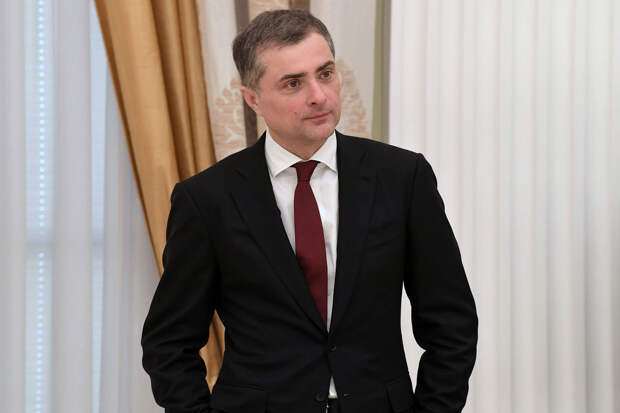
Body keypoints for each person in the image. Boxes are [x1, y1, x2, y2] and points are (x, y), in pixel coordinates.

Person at [141, 9, 477, 413]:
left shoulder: (403, 178)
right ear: (253, 99)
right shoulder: (207, 199)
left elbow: (451, 323)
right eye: (293, 83)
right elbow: (169, 343)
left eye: (326, 73)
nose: (318, 95)